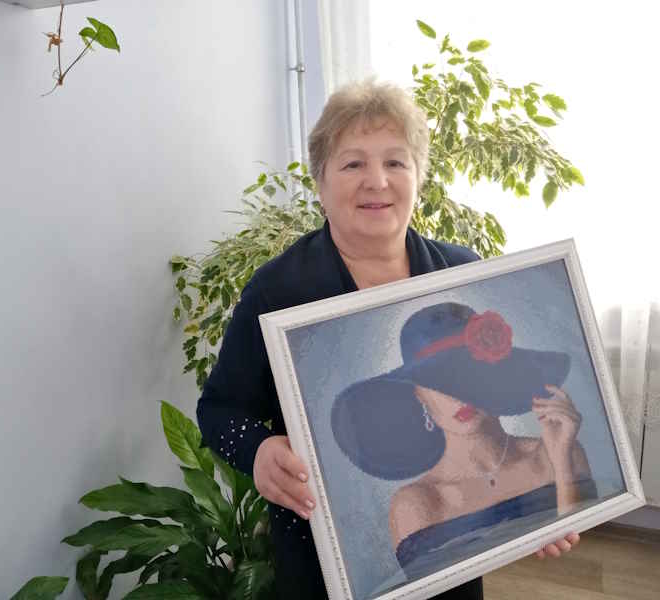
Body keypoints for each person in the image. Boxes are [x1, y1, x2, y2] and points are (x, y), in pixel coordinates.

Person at [196, 79, 580, 600]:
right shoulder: (276, 289)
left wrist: (543, 512)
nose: (376, 181)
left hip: (454, 568)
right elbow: (219, 410)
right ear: (320, 182)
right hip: (321, 558)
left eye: (396, 162)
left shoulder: (462, 272)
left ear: (418, 176)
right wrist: (258, 450)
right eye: (353, 164)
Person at [331, 302, 597, 582]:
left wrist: (562, 463)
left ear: (494, 376)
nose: (457, 394)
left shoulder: (558, 454)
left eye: (468, 374)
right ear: (419, 395)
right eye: (438, 380)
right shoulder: (417, 504)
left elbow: (582, 561)